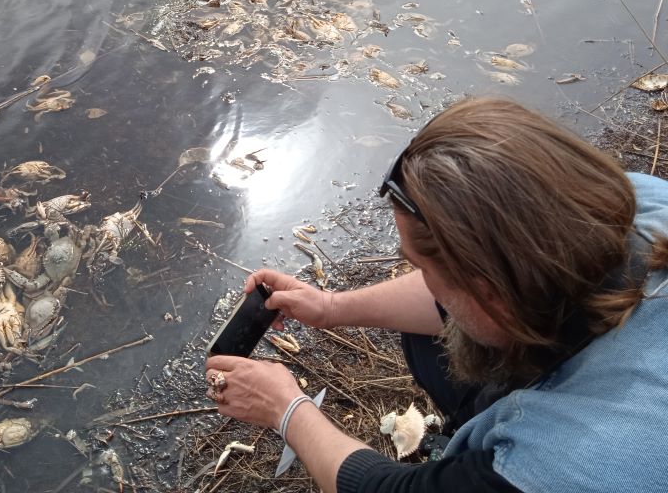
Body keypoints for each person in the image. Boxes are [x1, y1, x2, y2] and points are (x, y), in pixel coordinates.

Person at [205, 97, 668, 493]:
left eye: (423, 267)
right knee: (426, 336)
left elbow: (385, 489)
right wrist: (330, 308)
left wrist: (286, 409)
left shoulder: (556, 467)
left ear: (491, 291)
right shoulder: (641, 205)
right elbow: (460, 290)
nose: (422, 279)